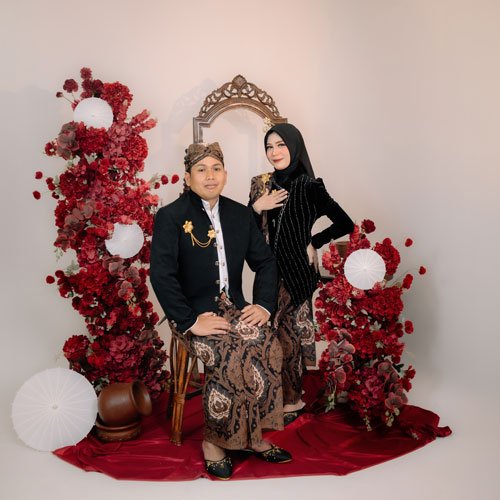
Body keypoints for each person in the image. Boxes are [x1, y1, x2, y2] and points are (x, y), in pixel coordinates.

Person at [150, 142, 291, 480]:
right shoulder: (171, 216)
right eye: (201, 170)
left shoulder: (239, 214)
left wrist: (263, 305)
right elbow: (161, 274)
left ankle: (254, 436)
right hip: (193, 314)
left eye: (216, 169)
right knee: (228, 352)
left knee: (268, 344)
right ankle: (214, 441)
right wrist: (189, 321)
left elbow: (266, 262)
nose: (210, 176)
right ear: (188, 177)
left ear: (225, 175)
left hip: (235, 307)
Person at [249, 123, 354, 425]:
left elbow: (344, 222)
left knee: (286, 332)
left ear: (294, 146)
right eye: (269, 147)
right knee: (270, 332)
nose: (274, 152)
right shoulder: (262, 185)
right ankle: (276, 395)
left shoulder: (309, 185)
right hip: (267, 270)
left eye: (281, 145)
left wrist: (314, 241)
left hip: (296, 270)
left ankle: (292, 398)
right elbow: (246, 233)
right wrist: (256, 207)